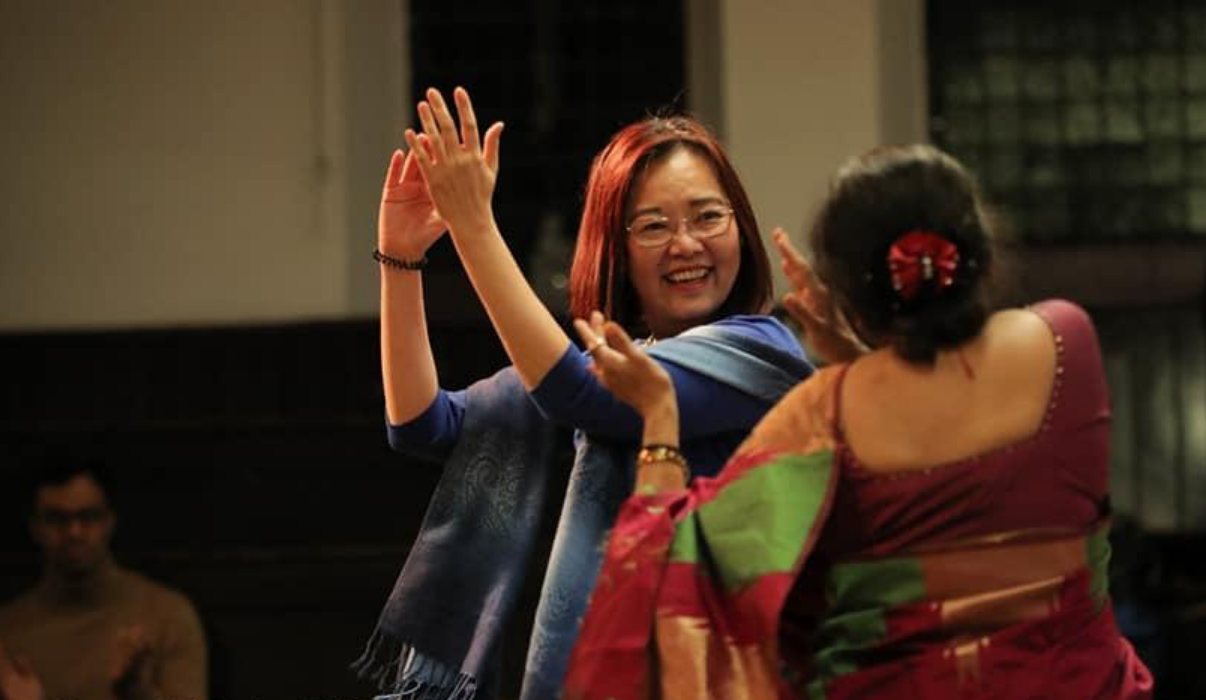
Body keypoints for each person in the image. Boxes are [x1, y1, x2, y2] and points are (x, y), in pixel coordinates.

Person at [562, 144, 1155, 699]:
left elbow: (671, 582)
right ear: (980, 251)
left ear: (846, 289)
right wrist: (858, 354)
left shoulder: (824, 412)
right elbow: (945, 415)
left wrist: (661, 419)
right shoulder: (1063, 342)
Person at [353, 87, 812, 700]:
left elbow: (586, 399)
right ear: (616, 251)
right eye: (653, 226)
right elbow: (422, 425)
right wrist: (401, 261)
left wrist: (473, 229)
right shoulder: (617, 359)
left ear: (741, 227)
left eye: (708, 217)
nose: (686, 244)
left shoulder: (761, 349)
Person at [0, 456, 207, 700]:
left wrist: (137, 693)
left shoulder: (168, 617)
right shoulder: (1, 636)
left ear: (110, 521)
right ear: (35, 527)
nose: (74, 532)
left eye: (89, 516)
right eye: (57, 519)